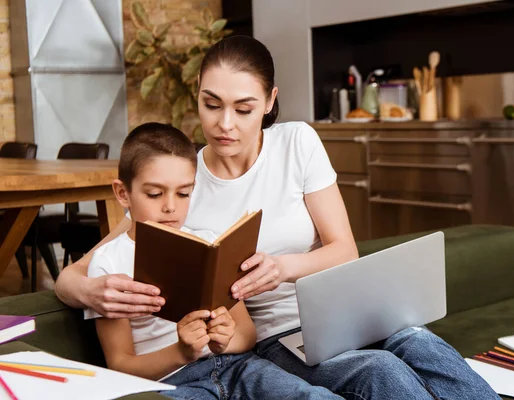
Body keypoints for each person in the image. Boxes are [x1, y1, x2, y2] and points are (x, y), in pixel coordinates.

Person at [57, 36, 499, 399]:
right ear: (197, 95)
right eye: (211, 104)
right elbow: (80, 272)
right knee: (379, 370)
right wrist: (94, 291)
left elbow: (344, 248)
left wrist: (282, 268)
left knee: (419, 340)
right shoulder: (181, 183)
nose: (225, 124)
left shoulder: (297, 142)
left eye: (244, 108)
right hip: (277, 337)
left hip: (345, 311)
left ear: (269, 102)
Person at [84, 122, 340, 399]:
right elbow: (119, 366)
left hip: (239, 368)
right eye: (155, 194)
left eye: (183, 193)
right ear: (123, 193)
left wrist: (225, 339)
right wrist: (180, 352)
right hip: (174, 384)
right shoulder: (108, 265)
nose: (170, 206)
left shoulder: (209, 243)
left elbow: (246, 335)